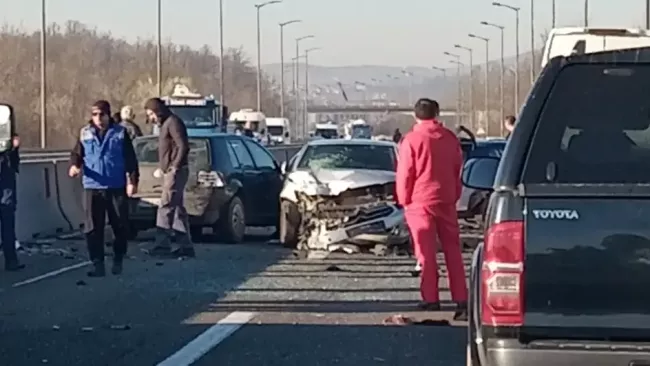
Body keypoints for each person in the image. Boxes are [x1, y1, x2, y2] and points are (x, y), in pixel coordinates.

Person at [396, 98, 468, 320]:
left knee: (426, 253)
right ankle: (461, 299)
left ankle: (431, 299)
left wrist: (403, 199)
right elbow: (458, 169)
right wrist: (454, 194)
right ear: (437, 114)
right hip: (445, 199)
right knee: (453, 251)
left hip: (420, 201)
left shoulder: (411, 140)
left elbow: (406, 173)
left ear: (415, 115)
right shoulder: (450, 139)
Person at [69, 100, 139, 277]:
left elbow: (130, 159)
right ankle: (97, 263)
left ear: (108, 115)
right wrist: (75, 165)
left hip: (115, 185)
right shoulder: (85, 133)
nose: (98, 118)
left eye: (102, 114)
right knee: (93, 227)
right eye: (94, 115)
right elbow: (77, 153)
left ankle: (118, 258)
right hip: (93, 186)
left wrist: (132, 181)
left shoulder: (120, 134)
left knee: (120, 225)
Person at [143, 97, 194, 258]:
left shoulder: (173, 122)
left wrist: (174, 166)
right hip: (172, 171)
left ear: (157, 111)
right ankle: (185, 246)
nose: (150, 117)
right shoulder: (167, 123)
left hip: (176, 171)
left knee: (165, 206)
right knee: (177, 209)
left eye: (151, 113)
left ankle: (161, 246)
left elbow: (182, 145)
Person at [0, 133, 23, 271]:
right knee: (8, 224)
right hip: (6, 186)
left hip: (6, 186)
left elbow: (15, 163)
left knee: (8, 225)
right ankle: (11, 260)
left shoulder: (7, 138)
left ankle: (11, 260)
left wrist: (14, 148)